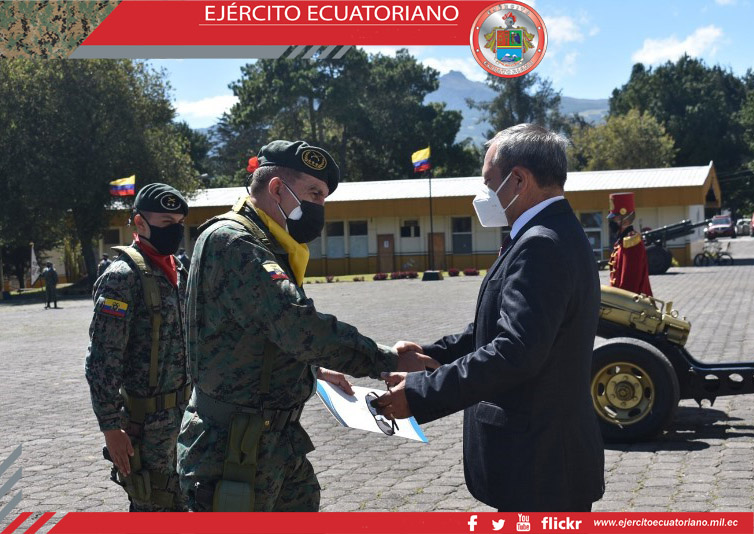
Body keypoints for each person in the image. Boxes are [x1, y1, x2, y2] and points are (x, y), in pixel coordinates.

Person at [176, 140, 435, 512]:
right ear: (277, 189)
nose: (319, 207)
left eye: (324, 198)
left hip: (271, 441)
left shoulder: (266, 242)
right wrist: (387, 360)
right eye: (314, 193)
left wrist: (314, 370)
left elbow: (258, 334)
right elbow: (298, 327)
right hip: (232, 448)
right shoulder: (235, 243)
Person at [376, 124, 605, 512]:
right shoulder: (550, 232)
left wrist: (420, 393)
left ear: (518, 180)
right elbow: (501, 328)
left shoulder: (541, 244)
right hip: (543, 460)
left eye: (488, 181)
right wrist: (432, 355)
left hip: (540, 467)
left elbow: (515, 351)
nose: (483, 193)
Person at [85, 183, 191, 512]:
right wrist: (110, 426)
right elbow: (102, 360)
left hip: (186, 417)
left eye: (179, 223)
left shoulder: (181, 272)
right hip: (147, 426)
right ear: (140, 223)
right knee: (154, 505)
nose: (175, 230)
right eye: (166, 223)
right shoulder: (122, 277)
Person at [607, 192, 653, 296]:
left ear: (625, 219)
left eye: (615, 218)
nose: (612, 222)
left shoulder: (632, 243)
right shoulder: (622, 241)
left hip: (632, 302)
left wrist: (621, 301)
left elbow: (629, 282)